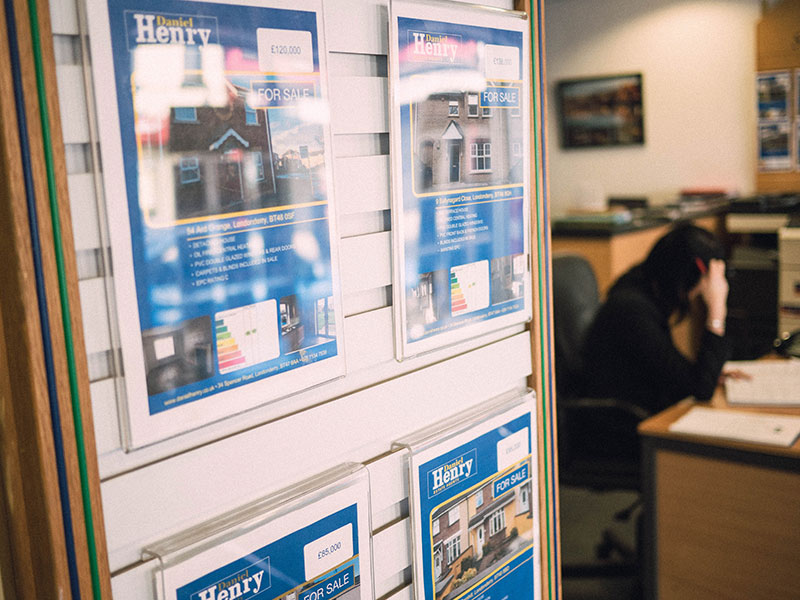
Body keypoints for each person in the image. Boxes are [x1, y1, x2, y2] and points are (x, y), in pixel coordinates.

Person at [580, 223, 731, 415]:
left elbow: (672, 369)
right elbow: (700, 389)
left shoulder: (645, 287)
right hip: (625, 424)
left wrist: (709, 370)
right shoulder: (632, 311)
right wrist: (717, 310)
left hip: (643, 408)